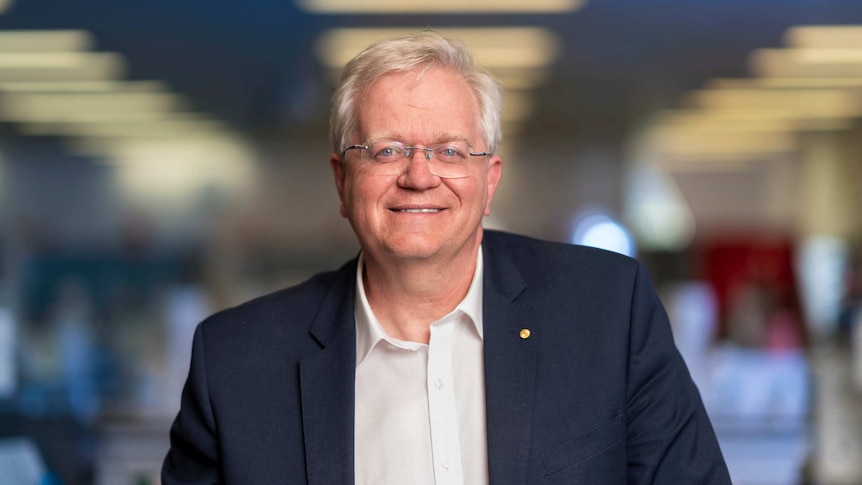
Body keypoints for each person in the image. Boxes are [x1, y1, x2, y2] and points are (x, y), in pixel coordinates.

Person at [162, 31, 731, 484]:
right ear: (342, 181)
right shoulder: (235, 365)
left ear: (489, 182)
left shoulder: (608, 312)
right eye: (386, 150)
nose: (418, 176)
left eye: (449, 151)